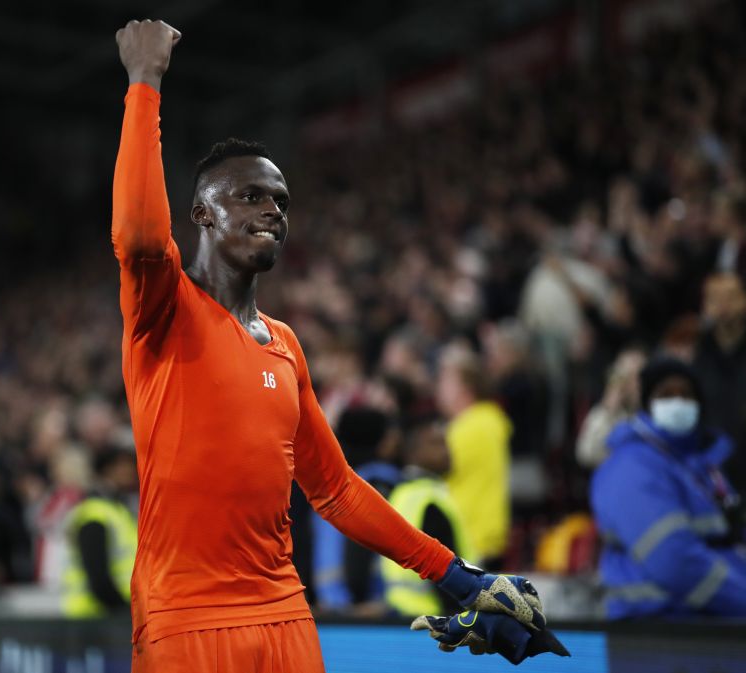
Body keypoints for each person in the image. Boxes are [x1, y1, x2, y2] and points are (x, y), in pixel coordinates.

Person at [112, 20, 545, 673]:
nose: (272, 212)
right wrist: (144, 84)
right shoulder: (165, 306)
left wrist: (455, 574)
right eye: (250, 196)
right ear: (201, 212)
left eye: (281, 202)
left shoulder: (284, 344)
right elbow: (139, 234)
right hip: (188, 620)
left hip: (286, 612)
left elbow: (336, 487)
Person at [591, 357, 746, 618]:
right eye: (667, 395)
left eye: (686, 395)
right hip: (657, 633)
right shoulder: (631, 466)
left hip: (706, 625)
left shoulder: (704, 465)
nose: (678, 403)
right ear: (649, 403)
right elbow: (674, 560)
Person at [309, 407, 404, 612]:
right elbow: (361, 544)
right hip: (366, 609)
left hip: (327, 606)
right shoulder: (380, 482)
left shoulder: (325, 483)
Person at [382, 418, 474, 618]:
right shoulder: (429, 500)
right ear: (413, 453)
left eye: (446, 443)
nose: (447, 451)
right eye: (436, 444)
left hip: (400, 614)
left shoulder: (402, 493)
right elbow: (445, 570)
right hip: (435, 619)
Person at [433, 342, 512, 567]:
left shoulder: (472, 426)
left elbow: (432, 466)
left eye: (445, 381)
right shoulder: (487, 420)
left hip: (472, 539)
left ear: (465, 387)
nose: (438, 388)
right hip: (480, 538)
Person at [62, 447, 138, 618]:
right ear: (107, 470)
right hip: (92, 617)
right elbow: (99, 578)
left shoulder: (119, 511)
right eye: (124, 466)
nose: (131, 471)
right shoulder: (94, 514)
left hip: (107, 615)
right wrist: (126, 612)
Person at [694, 271, 746, 494]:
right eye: (715, 298)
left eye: (730, 297)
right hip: (711, 471)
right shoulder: (695, 354)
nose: (723, 306)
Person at [576, 348, 646, 469]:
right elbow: (586, 454)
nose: (632, 384)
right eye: (626, 376)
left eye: (636, 377)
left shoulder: (653, 413)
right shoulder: (605, 412)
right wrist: (608, 412)